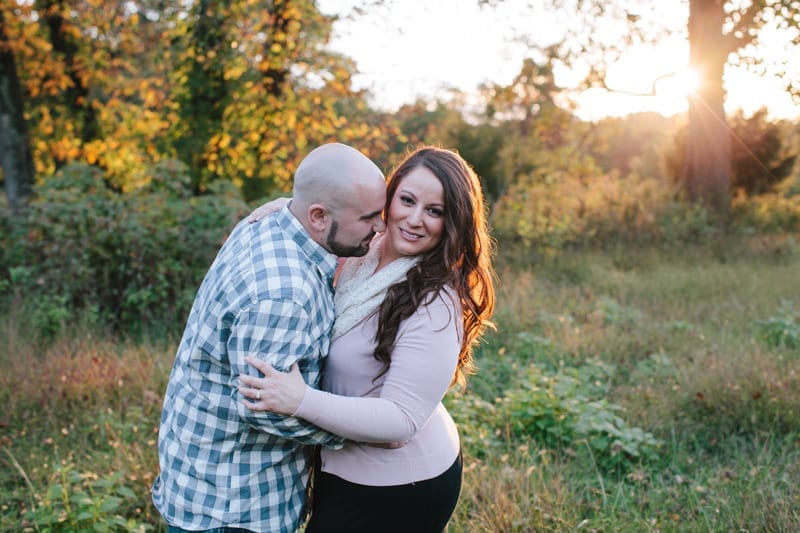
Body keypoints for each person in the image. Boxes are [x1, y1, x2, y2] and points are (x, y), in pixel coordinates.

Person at [239, 146, 496, 532]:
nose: (413, 219)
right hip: (341, 466)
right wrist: (290, 207)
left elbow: (401, 419)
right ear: (388, 199)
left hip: (399, 485)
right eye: (406, 200)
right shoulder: (365, 249)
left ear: (453, 221)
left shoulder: (434, 301)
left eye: (435, 211)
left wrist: (300, 400)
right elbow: (326, 217)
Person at [151, 143, 388, 533]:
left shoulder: (266, 221)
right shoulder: (284, 294)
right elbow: (263, 408)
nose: (379, 227)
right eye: (367, 218)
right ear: (318, 216)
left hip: (202, 477)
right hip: (234, 505)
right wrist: (365, 431)